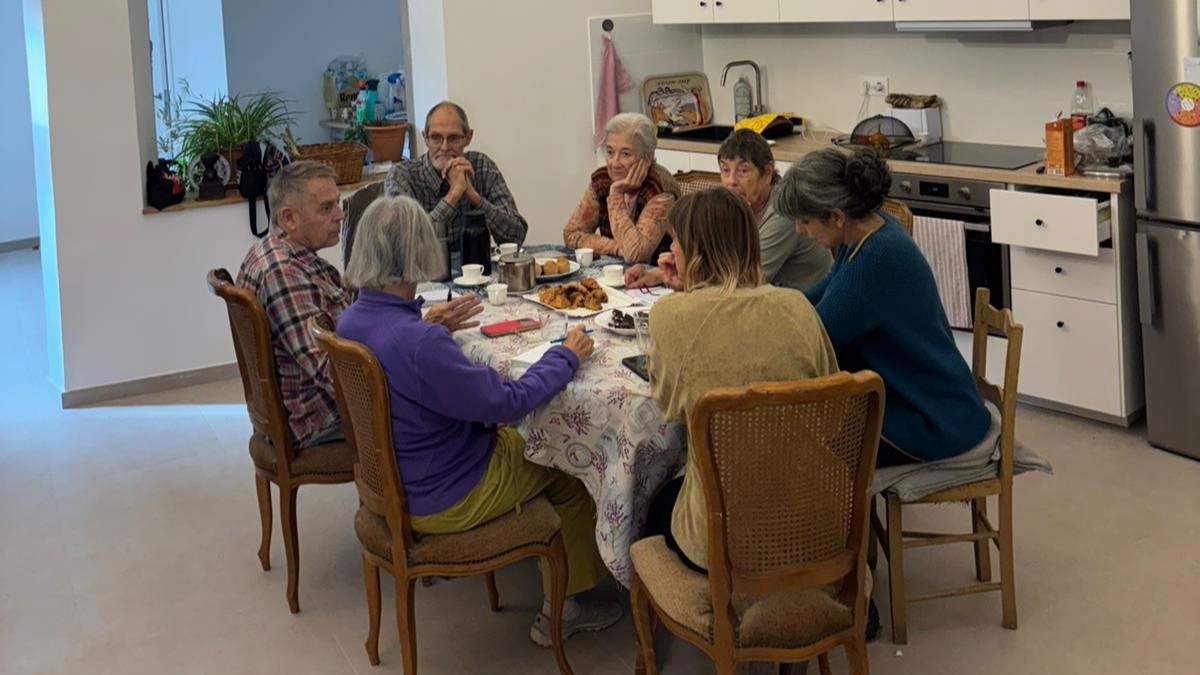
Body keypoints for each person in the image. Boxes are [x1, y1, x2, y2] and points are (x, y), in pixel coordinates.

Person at [336, 195, 622, 647]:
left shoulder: (351, 321)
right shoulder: (419, 344)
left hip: (394, 482)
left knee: (527, 437)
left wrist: (428, 324)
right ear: (417, 251)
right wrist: (564, 356)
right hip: (446, 494)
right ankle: (563, 610)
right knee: (573, 462)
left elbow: (406, 353)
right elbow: (507, 403)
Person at [639, 188, 840, 573]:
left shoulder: (669, 315)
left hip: (724, 536)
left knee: (656, 503)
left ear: (694, 250)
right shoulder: (796, 306)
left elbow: (670, 407)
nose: (672, 251)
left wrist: (685, 296)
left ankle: (703, 610)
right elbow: (832, 410)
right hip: (814, 518)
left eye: (676, 242)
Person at [237, 161, 483, 449]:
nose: (341, 216)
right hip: (320, 418)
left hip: (302, 405)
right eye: (327, 208)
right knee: (453, 396)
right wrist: (420, 333)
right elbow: (339, 378)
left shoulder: (275, 252)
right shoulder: (284, 273)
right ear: (289, 218)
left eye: (337, 205)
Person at [776, 149, 991, 467]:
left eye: (804, 221)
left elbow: (814, 341)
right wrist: (770, 311)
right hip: (937, 400)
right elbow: (817, 297)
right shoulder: (871, 230)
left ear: (836, 216)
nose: (799, 230)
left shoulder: (875, 259)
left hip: (932, 419)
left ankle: (841, 516)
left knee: (797, 444)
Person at [626, 129, 831, 291]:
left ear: (767, 172)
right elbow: (716, 260)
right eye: (725, 170)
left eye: (743, 170)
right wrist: (663, 274)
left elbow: (747, 281)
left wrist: (688, 275)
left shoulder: (783, 213)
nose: (731, 181)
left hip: (804, 311)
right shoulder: (735, 208)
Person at [384, 101, 528, 251]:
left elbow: (516, 236)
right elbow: (402, 244)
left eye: (453, 138)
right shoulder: (402, 175)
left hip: (477, 271)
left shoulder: (481, 166)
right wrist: (454, 194)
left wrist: (475, 197)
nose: (445, 147)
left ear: (468, 137)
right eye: (436, 138)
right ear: (425, 138)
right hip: (423, 273)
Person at [563, 113, 681, 263]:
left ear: (648, 157)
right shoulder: (602, 180)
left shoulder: (660, 190)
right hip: (614, 271)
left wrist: (616, 194)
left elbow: (636, 255)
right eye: (610, 152)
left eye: (625, 154)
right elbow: (571, 234)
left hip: (659, 276)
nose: (614, 163)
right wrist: (616, 248)